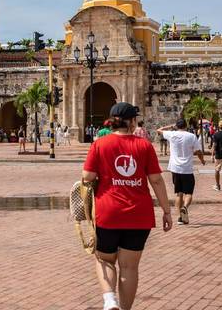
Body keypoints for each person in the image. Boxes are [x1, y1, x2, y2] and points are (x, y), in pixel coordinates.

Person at [82, 102, 172, 310]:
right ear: (132, 121)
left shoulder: (99, 145)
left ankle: (109, 300)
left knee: (104, 260)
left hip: (108, 213)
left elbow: (87, 177)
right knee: (129, 267)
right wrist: (166, 211)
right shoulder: (144, 146)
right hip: (139, 215)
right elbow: (156, 181)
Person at [157, 119, 205, 225]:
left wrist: (170, 126)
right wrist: (202, 160)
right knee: (189, 193)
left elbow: (159, 130)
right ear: (186, 126)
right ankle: (185, 207)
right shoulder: (191, 136)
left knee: (179, 193)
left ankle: (180, 218)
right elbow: (198, 151)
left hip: (175, 168)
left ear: (177, 126)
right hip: (187, 168)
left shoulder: (172, 135)